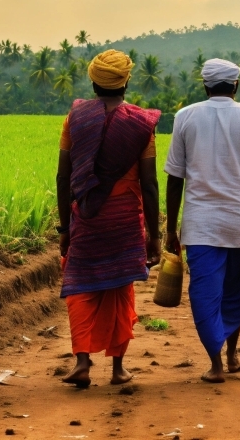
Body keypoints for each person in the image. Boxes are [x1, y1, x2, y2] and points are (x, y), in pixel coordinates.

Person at [164, 58, 240, 383]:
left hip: (200, 227)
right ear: (236, 86)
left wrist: (170, 227)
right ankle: (229, 356)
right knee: (236, 292)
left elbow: (175, 178)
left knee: (204, 295)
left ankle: (218, 362)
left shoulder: (185, 117)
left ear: (205, 86)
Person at [56, 49, 161, 388]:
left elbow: (63, 177)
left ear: (93, 80)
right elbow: (149, 182)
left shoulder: (75, 118)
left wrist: (65, 228)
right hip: (126, 219)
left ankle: (83, 361)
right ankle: (118, 368)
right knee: (120, 288)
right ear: (126, 80)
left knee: (80, 286)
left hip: (86, 216)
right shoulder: (141, 124)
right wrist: (155, 234)